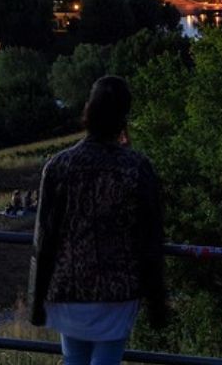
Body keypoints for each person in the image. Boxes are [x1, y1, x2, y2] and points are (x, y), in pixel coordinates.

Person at [28, 75, 167, 365]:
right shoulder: (136, 168)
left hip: (68, 290)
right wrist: (157, 301)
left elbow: (44, 239)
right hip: (117, 293)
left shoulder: (59, 166)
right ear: (123, 118)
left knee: (74, 359)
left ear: (88, 111)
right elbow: (150, 240)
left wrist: (36, 300)